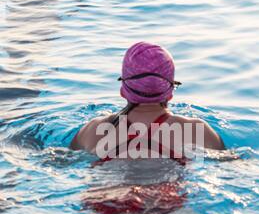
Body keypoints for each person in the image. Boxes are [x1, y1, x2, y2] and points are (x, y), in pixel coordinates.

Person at [71, 42, 225, 162]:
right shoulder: (195, 130)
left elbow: (60, 162)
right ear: (170, 93)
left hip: (106, 197)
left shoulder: (93, 130)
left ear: (123, 90)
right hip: (165, 198)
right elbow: (231, 165)